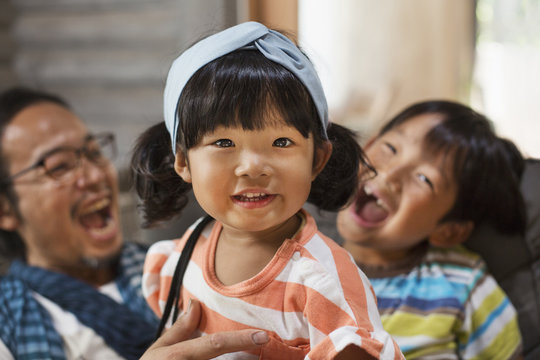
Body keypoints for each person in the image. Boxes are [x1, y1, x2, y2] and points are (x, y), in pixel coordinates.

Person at [132, 21, 404, 359]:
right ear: (184, 162)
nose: (253, 167)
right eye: (224, 142)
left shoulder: (323, 283)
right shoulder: (182, 255)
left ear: (317, 159)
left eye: (281, 142)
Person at [0, 86, 270, 360]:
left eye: (94, 153)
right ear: (5, 209)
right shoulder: (8, 321)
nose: (95, 176)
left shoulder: (178, 267)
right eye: (59, 166)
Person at [336, 100, 524, 359]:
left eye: (425, 179)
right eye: (391, 148)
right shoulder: (294, 256)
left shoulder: (464, 285)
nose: (391, 174)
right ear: (368, 146)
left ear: (449, 231)